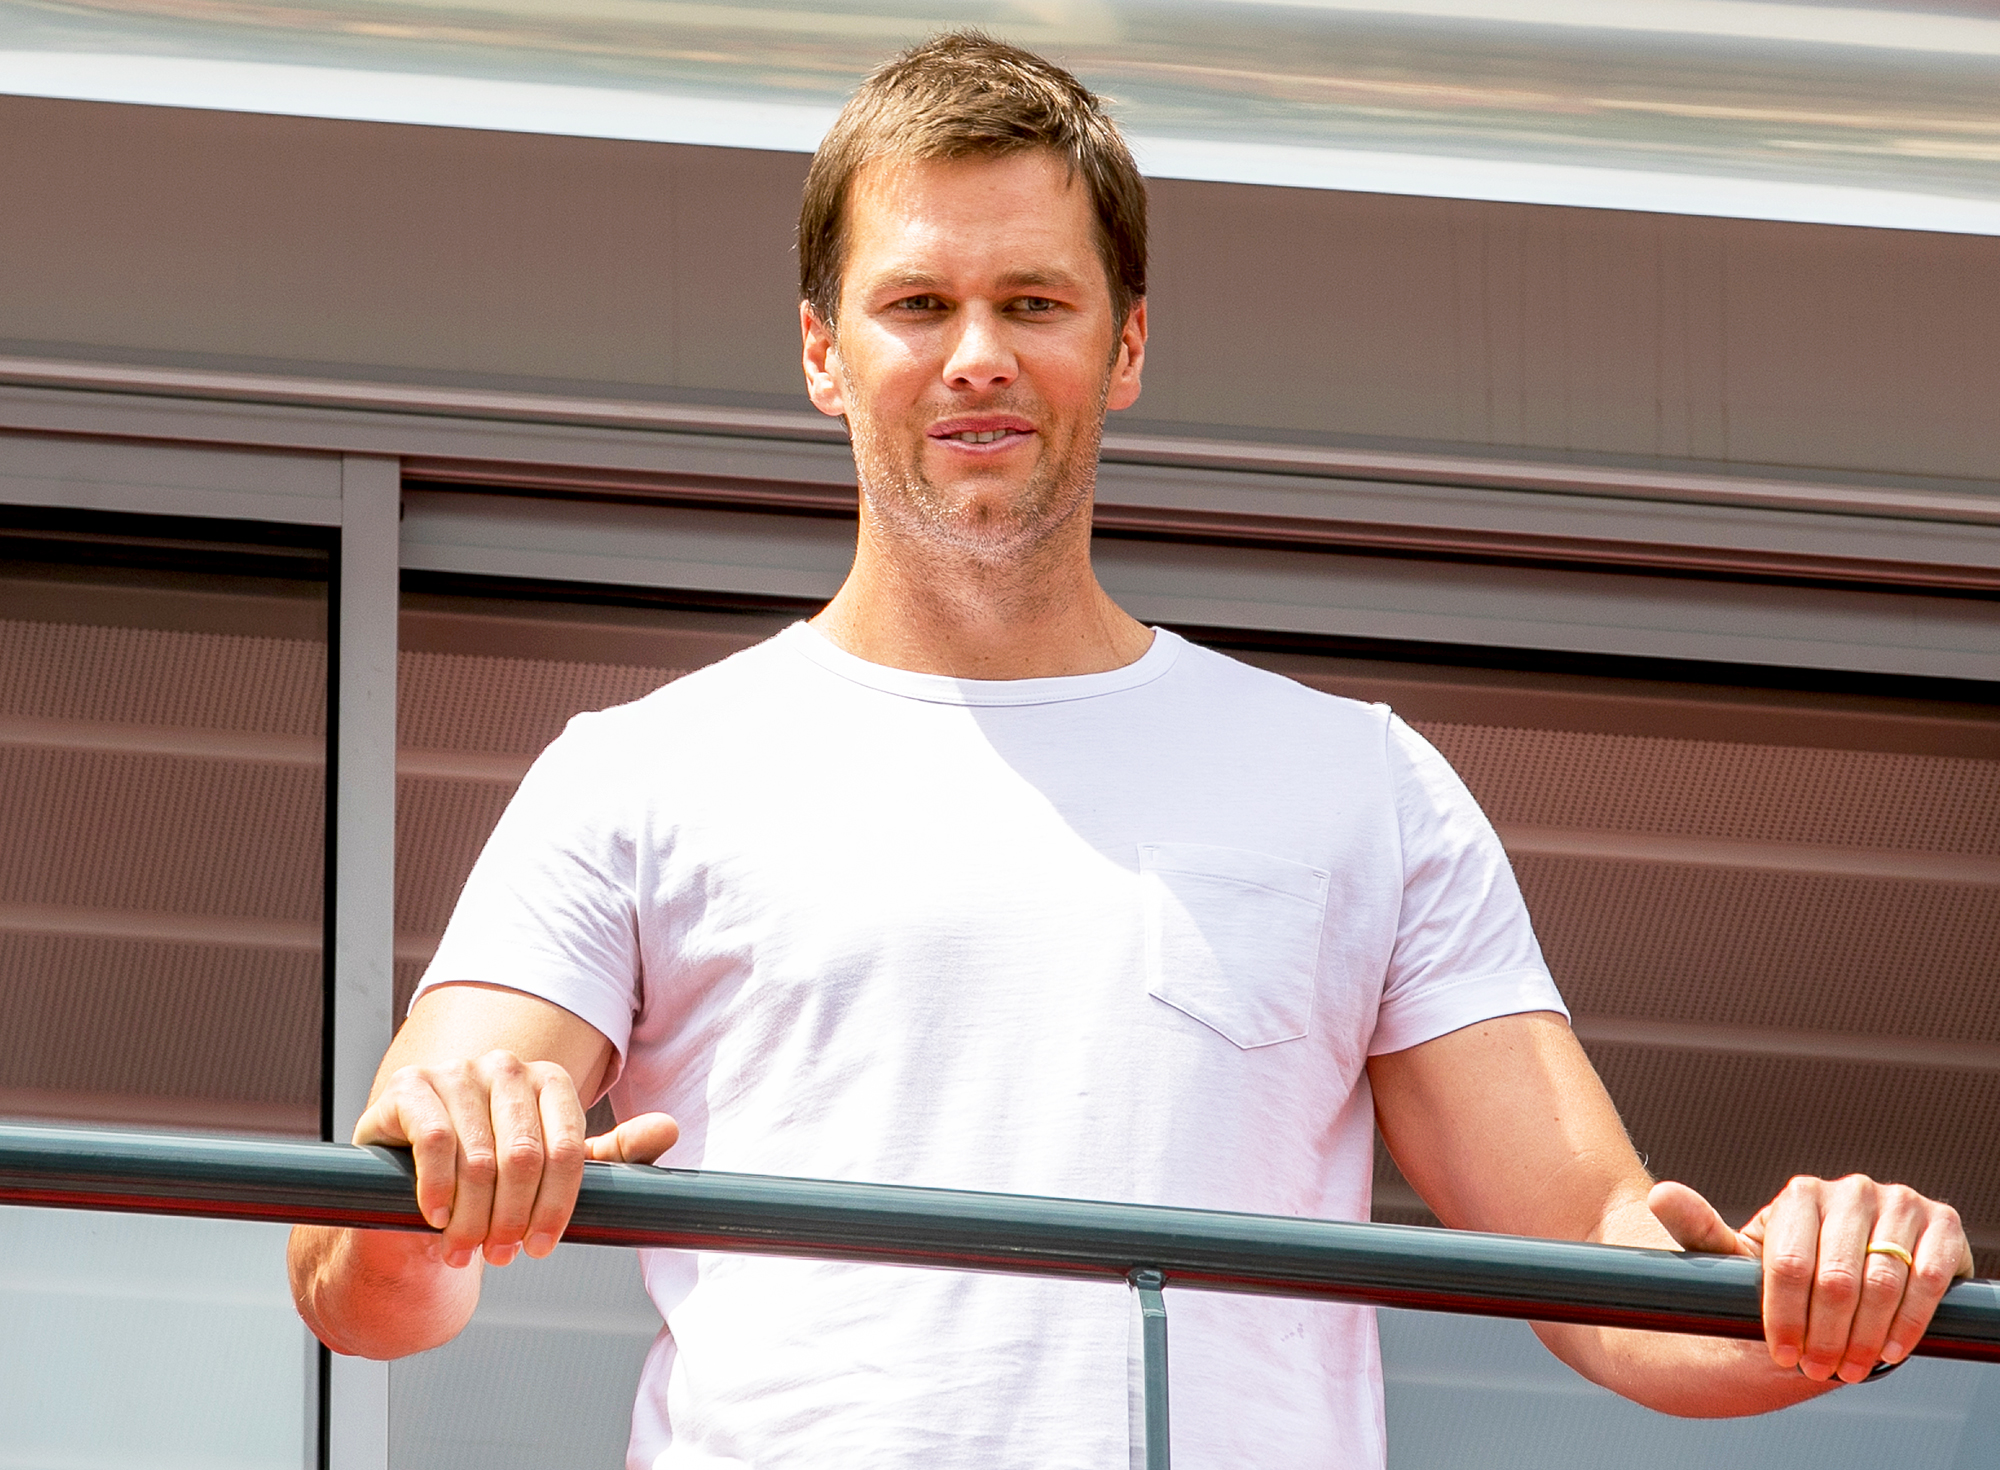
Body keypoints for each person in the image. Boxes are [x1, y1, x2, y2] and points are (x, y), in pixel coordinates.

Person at [288, 31, 1973, 1468]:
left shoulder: (1356, 783)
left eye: (1035, 298)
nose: (976, 354)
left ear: (1128, 343)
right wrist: (457, 1170)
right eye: (914, 301)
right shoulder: (641, 774)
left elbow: (1612, 1277)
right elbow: (355, 1279)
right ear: (821, 349)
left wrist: (1839, 1287)